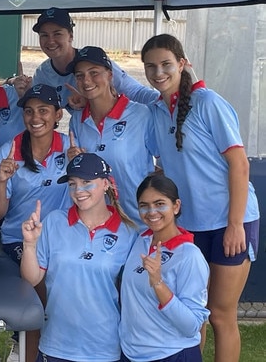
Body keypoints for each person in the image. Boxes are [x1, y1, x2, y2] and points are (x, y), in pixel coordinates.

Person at [141, 34, 260, 362]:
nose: (158, 72)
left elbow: (239, 163)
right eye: (150, 67)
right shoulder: (156, 111)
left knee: (221, 315)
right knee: (194, 314)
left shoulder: (208, 103)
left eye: (166, 64)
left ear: (181, 64)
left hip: (229, 222)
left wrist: (234, 224)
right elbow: (164, 165)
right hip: (190, 226)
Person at [20, 153, 137, 362]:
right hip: (56, 345)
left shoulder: (127, 233)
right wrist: (29, 244)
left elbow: (132, 294)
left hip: (105, 347)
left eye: (86, 182)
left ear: (106, 184)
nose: (78, 190)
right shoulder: (54, 221)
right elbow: (32, 279)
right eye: (73, 184)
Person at [0, 84, 71, 362]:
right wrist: (1, 181)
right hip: (20, 240)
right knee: (40, 291)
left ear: (58, 114)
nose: (36, 117)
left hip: (61, 239)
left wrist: (78, 164)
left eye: (44, 110)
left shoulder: (70, 149)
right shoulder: (10, 152)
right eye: (30, 111)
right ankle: (27, 350)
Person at [120, 173, 209, 362]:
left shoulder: (189, 256)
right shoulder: (140, 241)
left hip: (171, 354)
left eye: (160, 204)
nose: (152, 211)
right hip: (131, 354)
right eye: (144, 206)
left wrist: (159, 284)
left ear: (176, 206)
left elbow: (192, 325)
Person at [67, 46, 157, 227]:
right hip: (98, 224)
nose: (86, 80)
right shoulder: (77, 120)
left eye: (94, 73)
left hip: (140, 223)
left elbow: (166, 165)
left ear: (110, 75)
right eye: (80, 76)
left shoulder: (141, 114)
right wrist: (73, 161)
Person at [15, 7, 158, 109]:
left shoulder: (94, 60)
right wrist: (25, 94)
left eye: (57, 34)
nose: (50, 41)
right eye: (44, 35)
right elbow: (41, 111)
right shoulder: (43, 73)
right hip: (82, 130)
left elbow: (135, 91)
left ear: (71, 36)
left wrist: (167, 100)